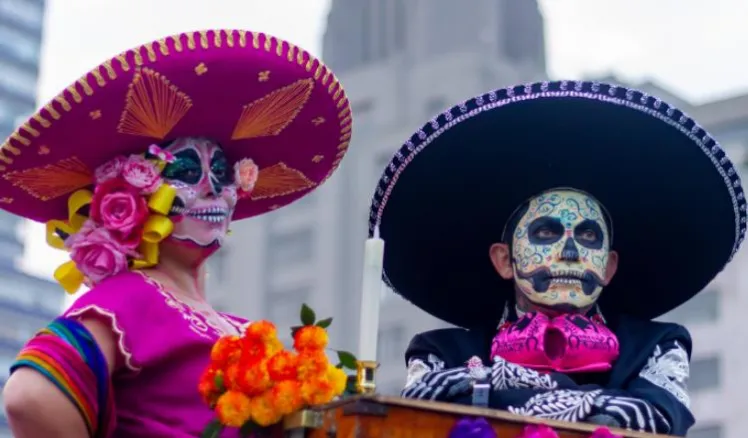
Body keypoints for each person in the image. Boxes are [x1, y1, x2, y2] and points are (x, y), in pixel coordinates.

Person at [1, 29, 353, 437]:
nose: (212, 187)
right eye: (186, 171)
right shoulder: (131, 295)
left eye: (222, 172)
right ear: (131, 194)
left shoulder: (240, 327)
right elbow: (28, 397)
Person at [367, 80, 746, 436]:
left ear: (608, 266)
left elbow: (654, 418)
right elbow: (418, 415)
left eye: (587, 236)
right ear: (504, 260)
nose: (569, 253)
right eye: (546, 233)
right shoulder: (439, 352)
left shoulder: (658, 345)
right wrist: (586, 401)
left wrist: (487, 385)